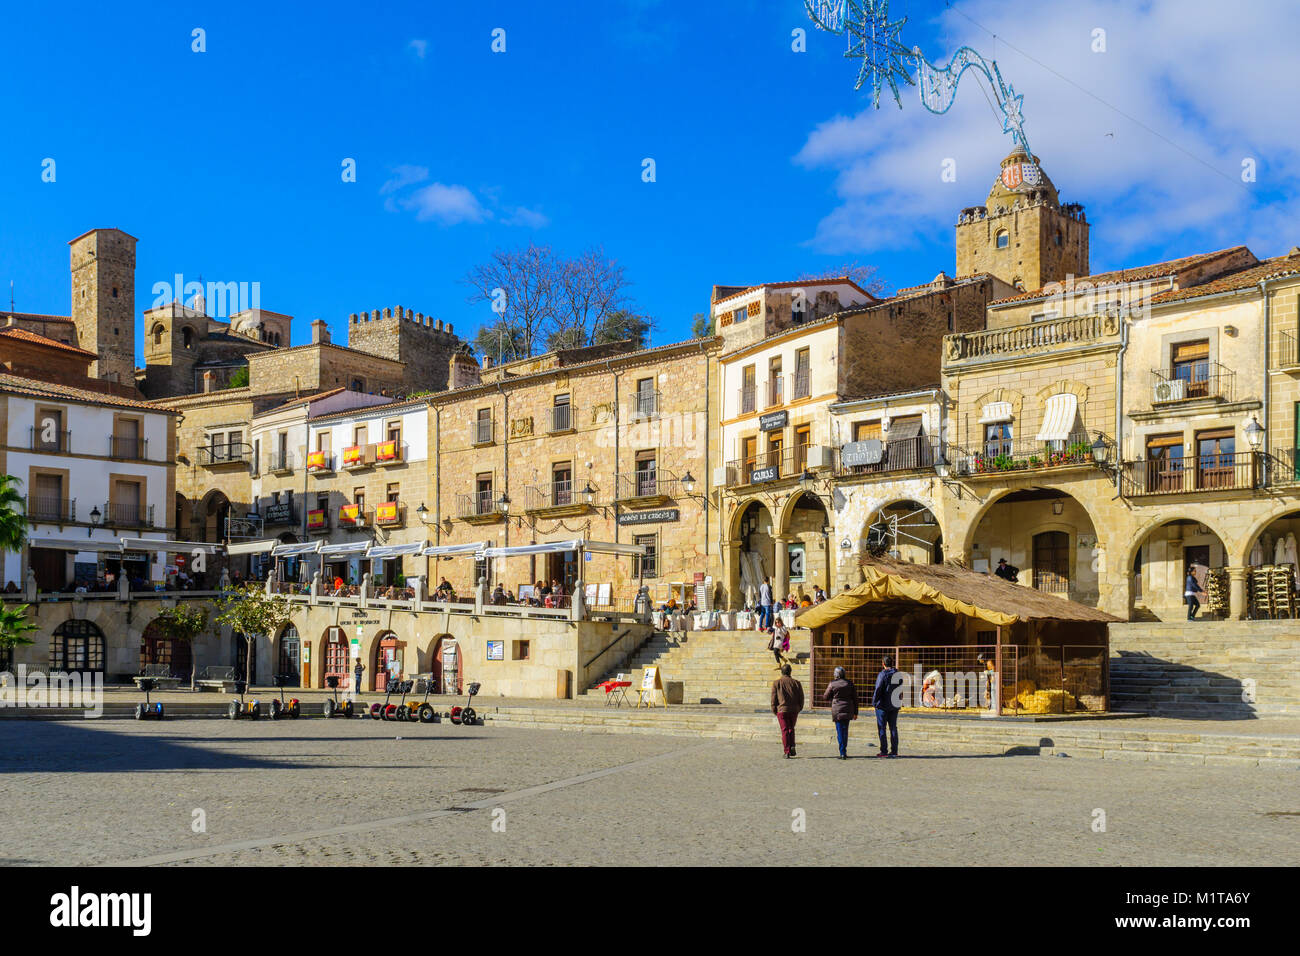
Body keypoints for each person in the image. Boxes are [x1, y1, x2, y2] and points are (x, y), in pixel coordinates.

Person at [823, 666, 859, 759]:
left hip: (837, 710)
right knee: (845, 731)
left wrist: (833, 697)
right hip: (848, 709)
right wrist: (856, 712)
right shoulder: (850, 684)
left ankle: (842, 752)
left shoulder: (832, 684)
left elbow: (825, 696)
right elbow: (855, 699)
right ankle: (844, 750)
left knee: (839, 731)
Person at [770, 663, 805, 758]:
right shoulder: (796, 683)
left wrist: (774, 709)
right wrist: (799, 708)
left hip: (782, 710)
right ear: (790, 671)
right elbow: (801, 697)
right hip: (794, 709)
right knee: (791, 728)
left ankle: (787, 750)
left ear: (781, 672)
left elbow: (774, 698)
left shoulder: (777, 683)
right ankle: (792, 745)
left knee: (785, 730)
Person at [871, 655, 901, 757]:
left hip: (882, 705)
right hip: (894, 704)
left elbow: (878, 688)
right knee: (893, 728)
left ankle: (884, 750)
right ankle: (894, 751)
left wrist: (874, 702)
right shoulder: (898, 674)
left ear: (883, 664)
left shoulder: (882, 675)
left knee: (882, 728)